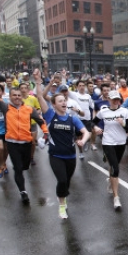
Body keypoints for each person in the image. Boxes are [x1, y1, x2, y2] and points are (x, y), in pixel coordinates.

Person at [35, 74, 91, 218]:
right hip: (55, 155)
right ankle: (61, 205)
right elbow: (40, 96)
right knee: (62, 180)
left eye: (64, 100)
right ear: (54, 105)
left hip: (71, 155)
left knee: (67, 181)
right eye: (60, 101)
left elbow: (86, 132)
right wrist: (38, 82)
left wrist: (83, 141)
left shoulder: (73, 118)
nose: (63, 102)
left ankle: (62, 196)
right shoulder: (50, 116)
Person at [0, 86, 48, 204]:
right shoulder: (5, 107)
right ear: (9, 96)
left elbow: (41, 121)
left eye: (19, 95)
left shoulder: (29, 109)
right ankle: (23, 192)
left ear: (22, 96)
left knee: (25, 166)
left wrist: (45, 133)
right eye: (14, 95)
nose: (17, 97)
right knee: (18, 168)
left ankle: (23, 173)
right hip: (12, 143)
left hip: (27, 143)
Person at [93, 91, 128, 211]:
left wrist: (123, 123)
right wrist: (96, 128)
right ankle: (116, 198)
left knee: (114, 165)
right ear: (109, 99)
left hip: (121, 142)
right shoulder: (103, 111)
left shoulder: (124, 111)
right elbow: (92, 122)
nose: (116, 101)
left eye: (118, 99)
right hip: (108, 142)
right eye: (114, 99)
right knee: (115, 168)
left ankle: (111, 180)